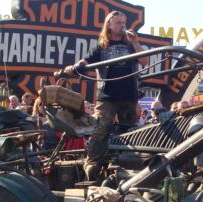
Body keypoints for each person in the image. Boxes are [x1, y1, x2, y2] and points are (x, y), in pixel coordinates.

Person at [63, 10, 149, 180]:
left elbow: (144, 61)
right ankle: (92, 164)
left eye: (124, 23)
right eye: (118, 22)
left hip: (128, 95)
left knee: (128, 130)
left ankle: (126, 165)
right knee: (100, 128)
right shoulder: (101, 45)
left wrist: (135, 42)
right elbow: (85, 61)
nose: (122, 26)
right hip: (107, 95)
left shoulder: (130, 44)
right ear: (109, 24)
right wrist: (75, 66)